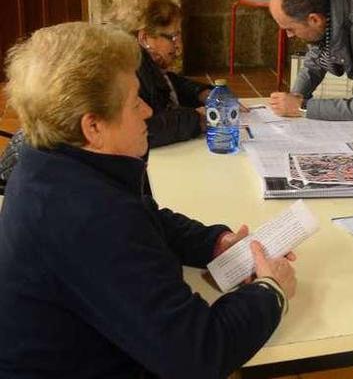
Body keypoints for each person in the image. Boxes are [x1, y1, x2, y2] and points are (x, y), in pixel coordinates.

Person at [0, 22, 297, 378]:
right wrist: (271, 290)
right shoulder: (91, 217)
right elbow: (198, 355)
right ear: (93, 127)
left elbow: (143, 216)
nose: (147, 111)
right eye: (134, 103)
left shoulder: (50, 160)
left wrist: (216, 242)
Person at [107, 0, 213, 148]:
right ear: (144, 38)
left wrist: (202, 93)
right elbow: (147, 128)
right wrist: (197, 119)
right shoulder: (130, 70)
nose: (178, 46)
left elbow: (167, 84)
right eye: (172, 37)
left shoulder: (142, 62)